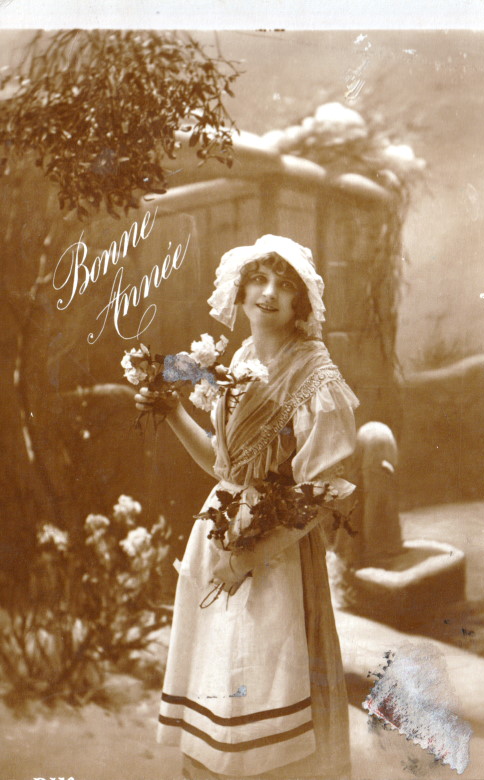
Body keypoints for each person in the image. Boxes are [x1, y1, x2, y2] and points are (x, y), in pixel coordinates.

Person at [135, 234, 359, 780]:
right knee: (219, 685)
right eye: (259, 279)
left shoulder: (316, 375)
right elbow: (226, 469)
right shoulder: (239, 360)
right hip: (220, 541)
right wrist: (170, 410)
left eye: (285, 285)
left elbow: (323, 492)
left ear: (302, 303)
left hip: (276, 554)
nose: (269, 293)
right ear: (239, 290)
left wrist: (249, 557)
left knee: (267, 690)